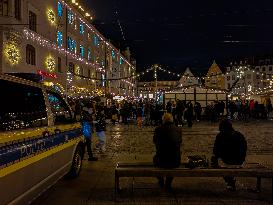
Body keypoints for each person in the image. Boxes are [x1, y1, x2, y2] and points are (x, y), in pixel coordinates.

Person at [211, 119, 247, 191]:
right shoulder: (239, 135)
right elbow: (244, 149)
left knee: (215, 161)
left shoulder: (220, 136)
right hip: (240, 162)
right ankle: (230, 180)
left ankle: (229, 181)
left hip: (226, 162)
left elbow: (215, 151)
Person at [153, 113, 182, 191]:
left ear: (163, 120)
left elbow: (154, 141)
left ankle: (161, 180)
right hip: (175, 160)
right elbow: (179, 142)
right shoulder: (178, 129)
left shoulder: (158, 129)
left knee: (154, 160)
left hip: (161, 160)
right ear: (172, 120)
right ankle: (168, 183)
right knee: (173, 160)